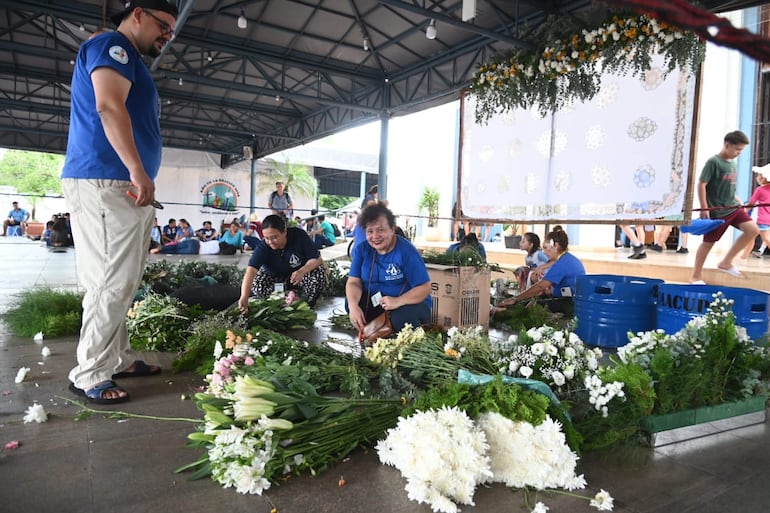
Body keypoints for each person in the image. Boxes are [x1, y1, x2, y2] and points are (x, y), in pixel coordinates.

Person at [61, 0, 177, 404]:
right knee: (113, 281)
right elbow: (109, 106)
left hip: (116, 182)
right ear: (139, 13)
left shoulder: (127, 57)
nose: (167, 35)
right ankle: (90, 371)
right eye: (164, 25)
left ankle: (114, 358)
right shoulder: (114, 46)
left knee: (116, 280)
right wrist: (137, 169)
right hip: (108, 180)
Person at [346, 202, 432, 334]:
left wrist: (398, 301)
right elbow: (353, 282)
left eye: (381, 230)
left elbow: (424, 288)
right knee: (351, 302)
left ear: (392, 229)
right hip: (380, 302)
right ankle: (375, 330)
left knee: (401, 319)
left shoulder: (406, 251)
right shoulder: (362, 250)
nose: (375, 236)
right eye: (370, 231)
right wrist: (353, 307)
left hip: (408, 303)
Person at [691, 130, 760, 283]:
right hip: (718, 211)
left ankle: (726, 262)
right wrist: (704, 208)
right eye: (737, 149)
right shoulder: (713, 162)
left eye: (741, 150)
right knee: (708, 243)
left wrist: (737, 198)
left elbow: (728, 186)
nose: (739, 153)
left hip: (734, 207)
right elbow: (702, 184)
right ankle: (695, 276)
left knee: (753, 230)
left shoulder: (733, 164)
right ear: (727, 145)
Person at [238, 214, 327, 308]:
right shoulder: (263, 247)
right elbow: (251, 271)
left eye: (274, 237)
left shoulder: (299, 236)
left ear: (284, 231)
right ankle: (284, 299)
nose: (270, 242)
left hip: (298, 276)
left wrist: (302, 271)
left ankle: (302, 302)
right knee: (257, 285)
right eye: (267, 238)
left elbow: (317, 259)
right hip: (275, 276)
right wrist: (244, 297)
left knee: (318, 275)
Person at [497, 228, 585, 315]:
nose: (544, 252)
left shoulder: (562, 263)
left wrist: (515, 299)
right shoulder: (566, 259)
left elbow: (541, 286)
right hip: (568, 299)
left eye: (546, 248)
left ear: (556, 246)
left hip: (568, 303)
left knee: (530, 307)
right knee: (530, 301)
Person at [741, 165, 770, 258]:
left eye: (759, 175)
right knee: (752, 236)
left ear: (763, 178)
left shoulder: (760, 190)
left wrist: (744, 212)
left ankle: (744, 256)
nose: (757, 177)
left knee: (764, 238)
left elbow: (751, 203)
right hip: (768, 218)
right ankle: (744, 256)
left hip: (759, 219)